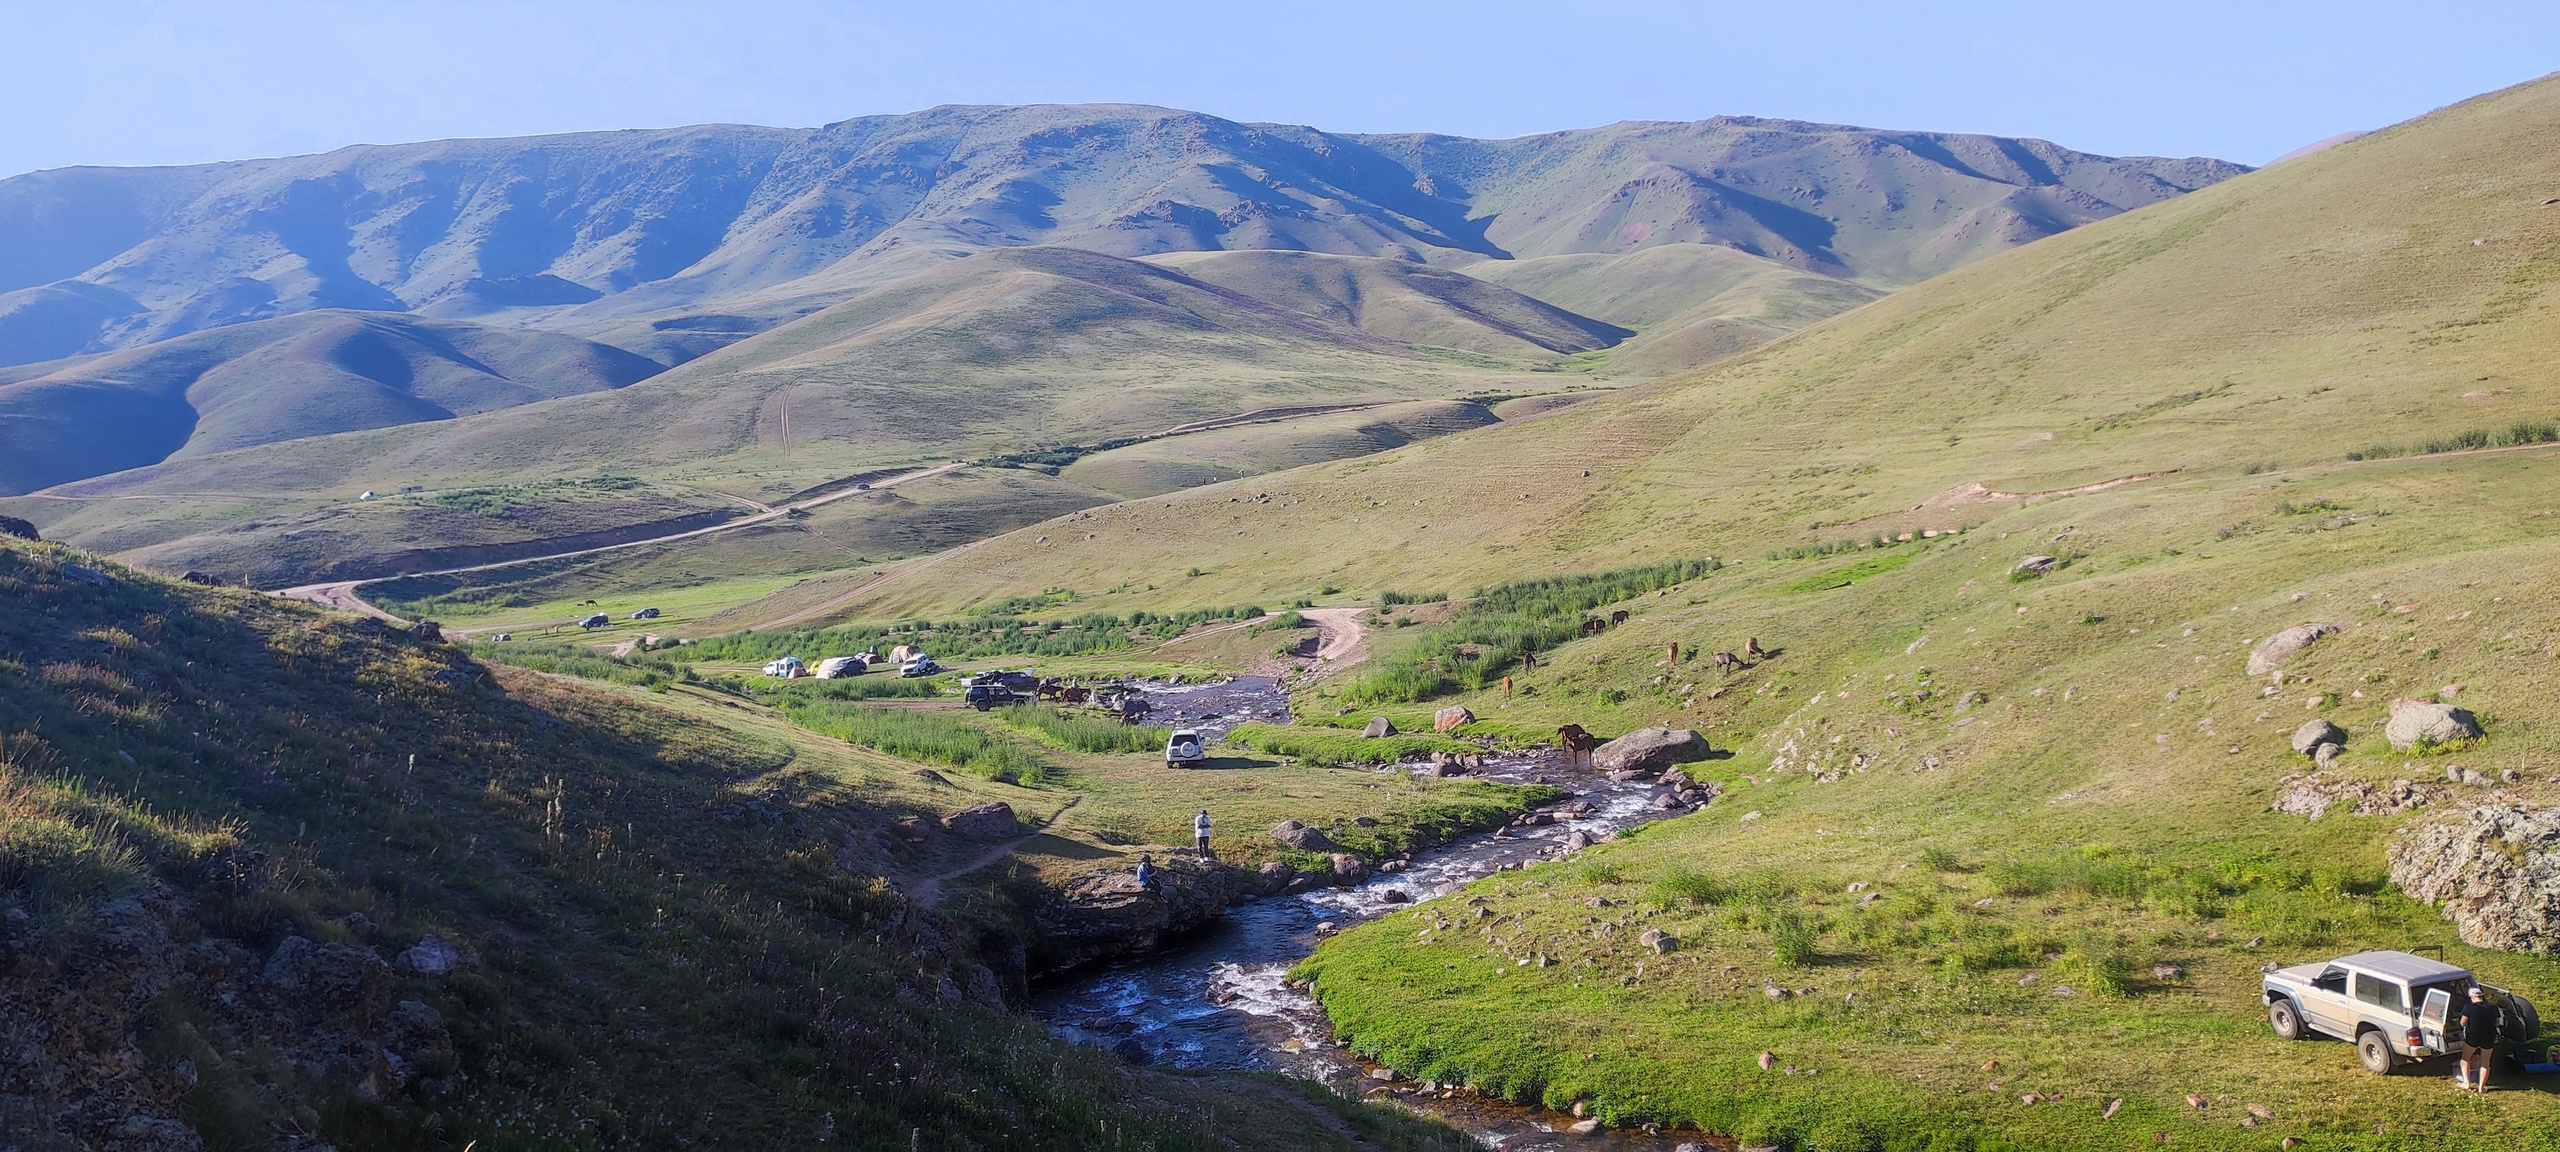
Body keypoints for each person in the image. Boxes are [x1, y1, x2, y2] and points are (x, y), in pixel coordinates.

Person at [2456, 985, 2503, 1093]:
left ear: (2472, 997)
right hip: (2489, 1036)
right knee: (2485, 1062)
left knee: (2465, 1058)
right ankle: (2482, 1087)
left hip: (2473, 1036)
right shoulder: (2493, 1008)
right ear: (2482, 997)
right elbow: (2496, 1023)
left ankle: (2466, 1083)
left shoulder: (2469, 1007)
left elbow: (2462, 1022)